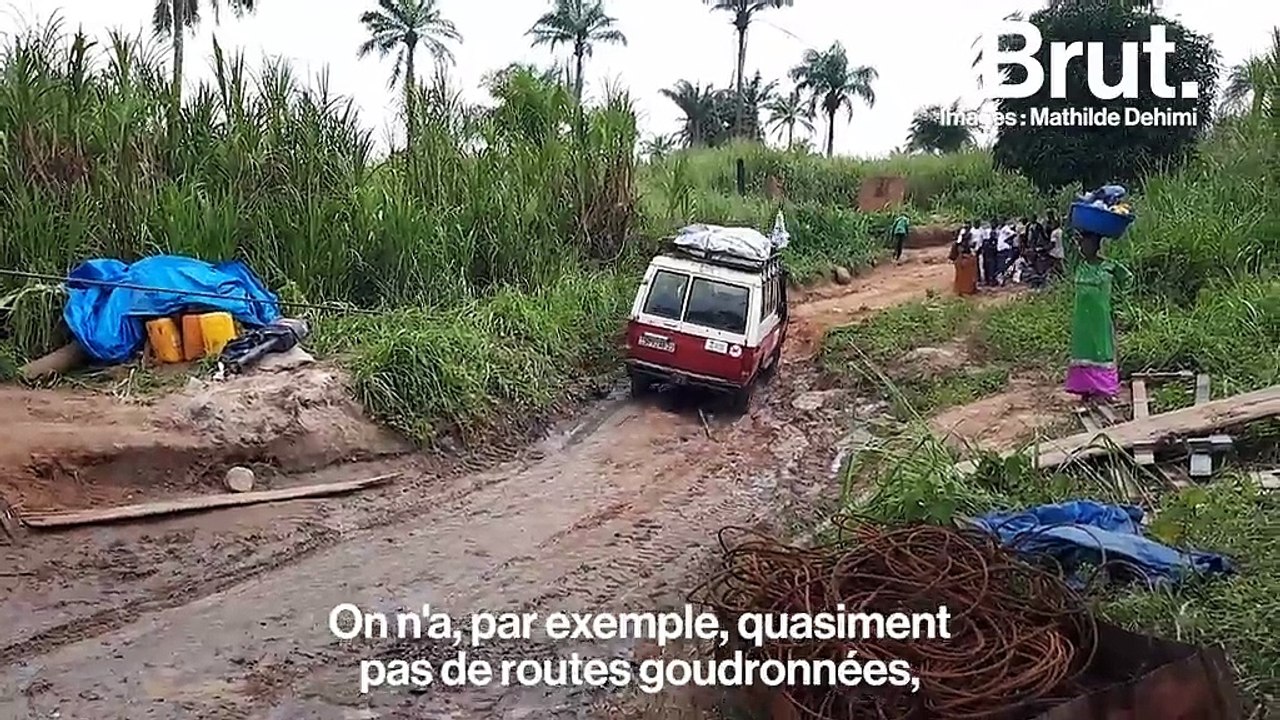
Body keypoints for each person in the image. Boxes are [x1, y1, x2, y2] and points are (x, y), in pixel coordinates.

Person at [1064, 231, 1132, 403]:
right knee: (1083, 350)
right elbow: (1067, 243)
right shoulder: (1078, 265)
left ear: (1096, 245)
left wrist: (1118, 302)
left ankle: (1105, 388)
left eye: (1086, 244)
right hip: (1082, 318)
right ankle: (1084, 387)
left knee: (1102, 350)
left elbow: (1128, 279)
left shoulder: (1108, 266)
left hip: (1101, 316)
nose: (1083, 248)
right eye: (1081, 245)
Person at [951, 227, 979, 296]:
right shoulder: (963, 246)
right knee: (967, 276)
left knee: (962, 276)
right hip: (964, 261)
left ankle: (962, 289)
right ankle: (965, 290)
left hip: (962, 261)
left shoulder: (961, 244)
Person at [981, 218, 999, 286]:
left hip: (992, 257)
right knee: (986, 268)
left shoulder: (996, 239)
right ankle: (987, 281)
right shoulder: (986, 239)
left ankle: (992, 281)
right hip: (987, 256)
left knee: (992, 269)